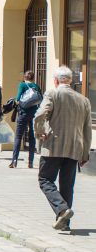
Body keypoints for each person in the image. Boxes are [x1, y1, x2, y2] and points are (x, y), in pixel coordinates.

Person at [34, 66, 92, 232]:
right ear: (71, 81)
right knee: (67, 185)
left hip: (53, 146)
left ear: (56, 80)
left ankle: (61, 210)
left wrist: (41, 131)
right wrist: (85, 152)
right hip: (74, 148)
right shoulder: (84, 100)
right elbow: (87, 129)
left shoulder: (52, 94)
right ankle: (64, 222)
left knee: (45, 180)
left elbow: (39, 115)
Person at [10, 70, 42, 169]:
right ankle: (30, 162)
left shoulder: (22, 85)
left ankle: (14, 161)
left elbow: (18, 99)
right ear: (33, 78)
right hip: (33, 114)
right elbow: (41, 99)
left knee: (18, 137)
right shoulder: (36, 86)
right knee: (32, 138)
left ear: (24, 78)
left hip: (23, 114)